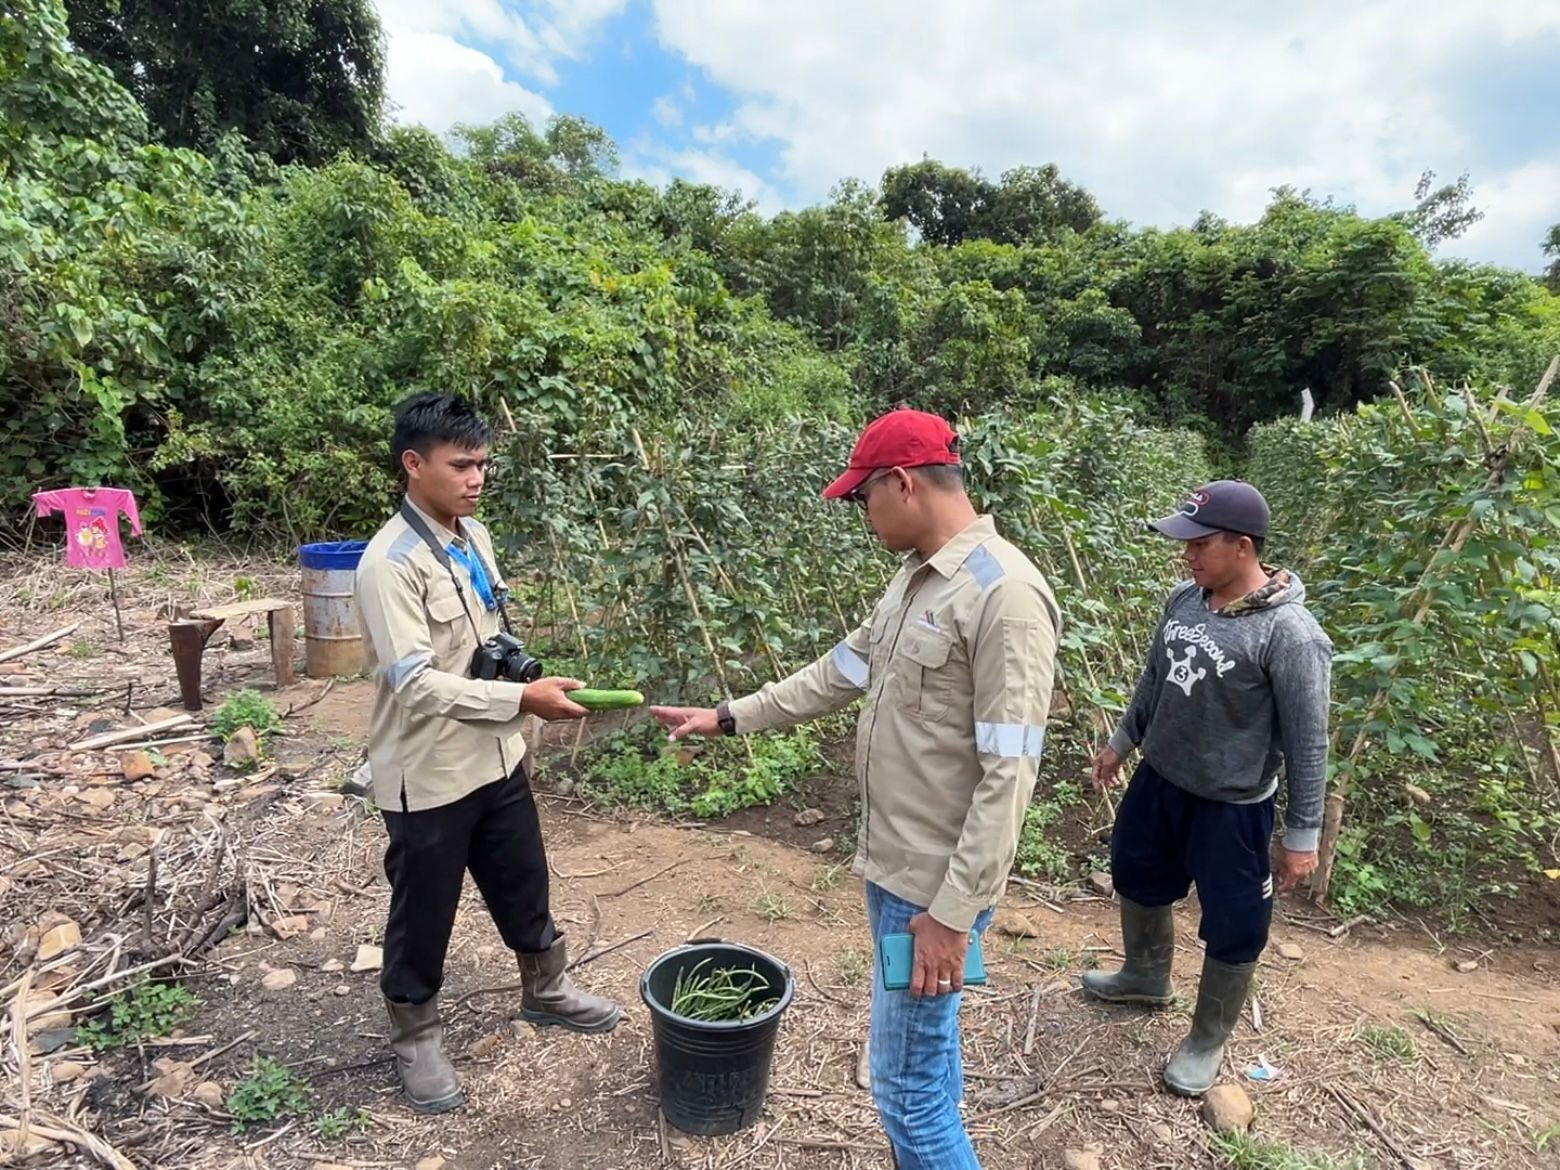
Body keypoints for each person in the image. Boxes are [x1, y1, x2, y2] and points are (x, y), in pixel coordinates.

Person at [651, 408, 1060, 1169]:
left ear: (903, 483)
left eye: (861, 497)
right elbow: (837, 675)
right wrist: (727, 717)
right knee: (926, 1066)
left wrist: (951, 915)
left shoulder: (1003, 596)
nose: (859, 513)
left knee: (904, 1088)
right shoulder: (915, 582)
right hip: (895, 868)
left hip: (933, 888)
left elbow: (1010, 777)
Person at [355, 392, 621, 1114]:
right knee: (425, 909)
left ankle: (547, 987)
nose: (476, 479)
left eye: (482, 464)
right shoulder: (391, 563)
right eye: (460, 465)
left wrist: (523, 688)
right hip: (429, 771)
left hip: (496, 753)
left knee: (522, 878)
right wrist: (520, 702)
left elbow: (482, 641)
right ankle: (415, 1032)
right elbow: (412, 682)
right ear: (413, 465)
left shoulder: (471, 536)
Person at [1084, 480, 1332, 1096]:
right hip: (1161, 779)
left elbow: (1308, 741)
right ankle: (1145, 975)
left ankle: (1207, 1038)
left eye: (1199, 543)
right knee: (1136, 873)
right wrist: (1121, 741)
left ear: (1242, 547)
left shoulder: (1291, 635)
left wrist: (1302, 836)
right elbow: (1154, 678)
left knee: (1234, 920)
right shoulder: (1185, 600)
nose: (1187, 555)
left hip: (1232, 806)